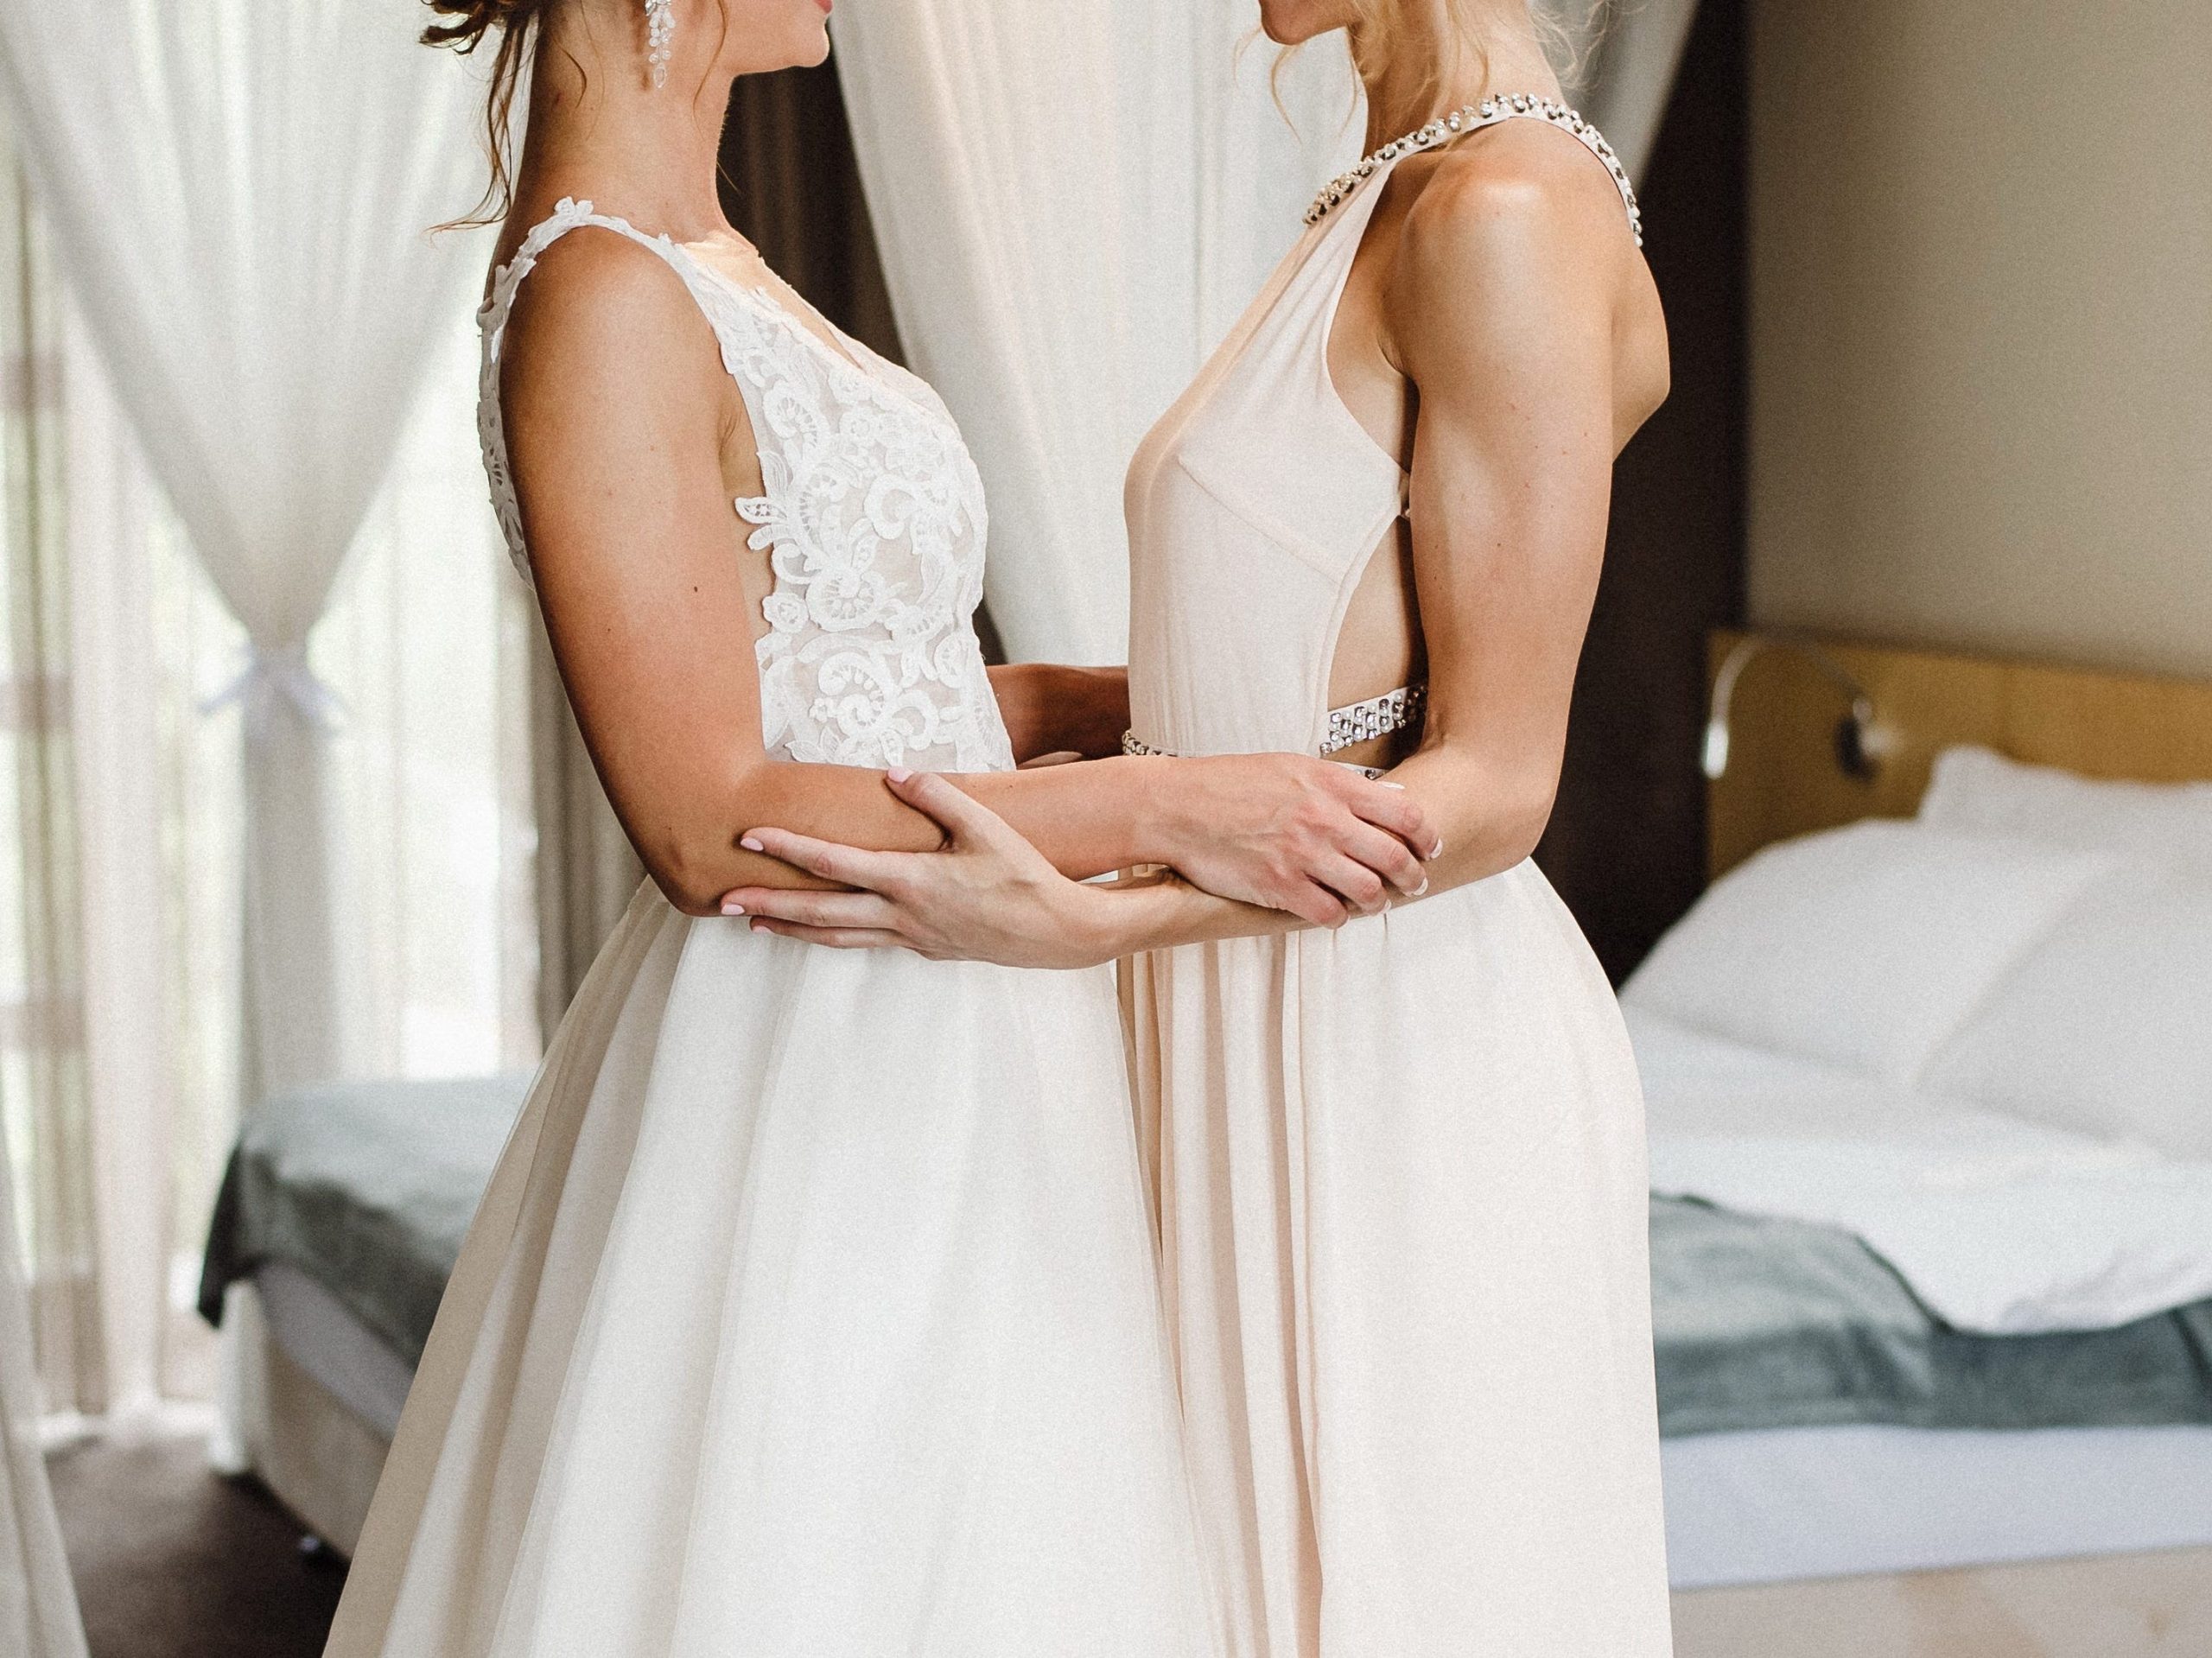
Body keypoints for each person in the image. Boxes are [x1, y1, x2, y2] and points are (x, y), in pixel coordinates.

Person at [324, 1, 1441, 1653]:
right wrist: (1171, 805)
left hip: (976, 1014)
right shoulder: (600, 293)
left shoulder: (702, 249)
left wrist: (1169, 700)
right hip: (818, 1049)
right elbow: (712, 816)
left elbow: (873, 694)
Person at [718, 0, 1678, 1650]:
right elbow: (1317, 659)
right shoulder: (1386, 189)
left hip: (1381, 1034)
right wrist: (1033, 715)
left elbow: (1498, 780)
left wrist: (1109, 918)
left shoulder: (1505, 212)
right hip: (1252, 986)